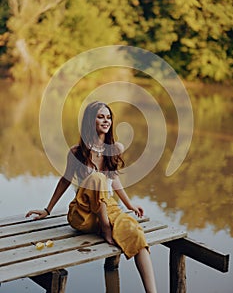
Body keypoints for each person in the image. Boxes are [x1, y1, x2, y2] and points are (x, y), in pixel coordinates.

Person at [26, 101, 157, 293]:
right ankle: (105, 227)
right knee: (96, 178)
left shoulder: (114, 148)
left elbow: (113, 180)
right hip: (84, 212)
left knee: (137, 235)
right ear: (90, 120)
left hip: (109, 207)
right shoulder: (77, 152)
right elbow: (65, 180)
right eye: (100, 116)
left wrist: (129, 204)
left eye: (109, 117)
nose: (106, 121)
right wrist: (48, 209)